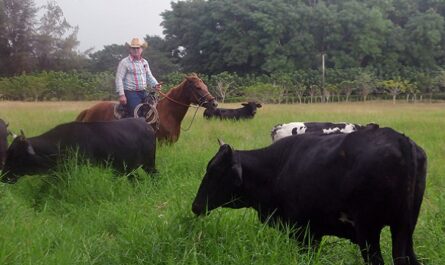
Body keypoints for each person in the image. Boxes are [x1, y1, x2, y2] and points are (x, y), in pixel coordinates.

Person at [115, 37, 162, 117]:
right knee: (136, 113)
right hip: (130, 92)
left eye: (138, 48)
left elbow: (149, 76)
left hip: (143, 92)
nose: (136, 50)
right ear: (130, 49)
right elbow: (119, 78)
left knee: (152, 110)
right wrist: (122, 95)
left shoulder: (144, 62)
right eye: (133, 48)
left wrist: (155, 84)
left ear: (142, 49)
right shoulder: (125, 62)